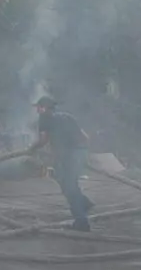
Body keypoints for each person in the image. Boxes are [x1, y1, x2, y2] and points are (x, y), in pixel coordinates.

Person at [30, 96, 94, 231]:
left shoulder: (44, 119)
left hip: (67, 156)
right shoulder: (67, 116)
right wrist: (83, 156)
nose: (37, 110)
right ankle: (84, 203)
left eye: (39, 107)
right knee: (66, 182)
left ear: (45, 108)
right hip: (78, 154)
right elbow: (85, 137)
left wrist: (31, 149)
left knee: (69, 187)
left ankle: (82, 222)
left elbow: (43, 140)